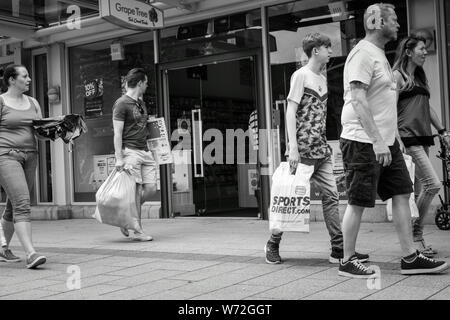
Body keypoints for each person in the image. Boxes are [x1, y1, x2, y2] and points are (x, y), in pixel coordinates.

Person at [338, 3, 447, 277]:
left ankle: (410, 257)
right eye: (393, 19)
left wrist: (393, 138)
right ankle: (347, 260)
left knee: (402, 193)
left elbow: (384, 103)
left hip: (387, 141)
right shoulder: (362, 54)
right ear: (376, 22)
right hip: (362, 140)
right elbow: (358, 100)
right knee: (358, 200)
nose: (398, 24)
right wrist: (377, 141)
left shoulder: (379, 54)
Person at [264, 33, 369, 265]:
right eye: (327, 47)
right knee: (288, 197)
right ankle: (272, 243)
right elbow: (290, 111)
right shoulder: (300, 76)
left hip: (321, 150)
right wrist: (292, 147)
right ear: (315, 51)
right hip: (301, 150)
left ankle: (338, 249)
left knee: (331, 197)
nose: (331, 51)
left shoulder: (322, 78)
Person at [393, 35, 450, 257]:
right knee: (433, 185)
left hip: (423, 137)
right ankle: (415, 235)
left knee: (418, 190)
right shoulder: (397, 76)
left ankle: (414, 241)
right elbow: (389, 107)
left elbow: (428, 107)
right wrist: (396, 138)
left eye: (426, 49)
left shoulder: (419, 78)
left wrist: (443, 130)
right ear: (408, 52)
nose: (425, 52)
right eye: (421, 49)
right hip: (408, 139)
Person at [0, 64, 47, 269]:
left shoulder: (33, 102)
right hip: (6, 156)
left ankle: (2, 249)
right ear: (12, 79)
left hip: (31, 156)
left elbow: (39, 132)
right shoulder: (1, 101)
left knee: (13, 206)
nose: (29, 79)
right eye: (25, 76)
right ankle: (31, 253)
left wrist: (60, 129)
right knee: (22, 203)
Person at [113, 68, 157, 241]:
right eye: (146, 82)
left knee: (151, 189)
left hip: (145, 151)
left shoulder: (140, 102)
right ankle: (138, 231)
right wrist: (119, 158)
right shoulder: (121, 103)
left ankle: (124, 217)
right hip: (131, 152)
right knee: (136, 191)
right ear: (140, 83)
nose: (147, 85)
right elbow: (117, 132)